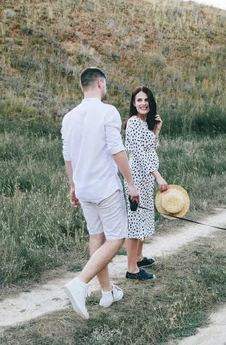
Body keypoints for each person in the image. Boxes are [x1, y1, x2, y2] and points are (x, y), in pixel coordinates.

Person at [61, 67, 140, 319]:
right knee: (117, 238)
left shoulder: (69, 117)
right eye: (105, 85)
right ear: (99, 83)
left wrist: (73, 185)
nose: (106, 88)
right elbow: (117, 150)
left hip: (84, 188)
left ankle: (107, 292)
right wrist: (131, 183)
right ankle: (81, 282)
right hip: (105, 187)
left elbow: (68, 156)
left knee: (96, 237)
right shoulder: (108, 111)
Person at [123, 86, 168, 280]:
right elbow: (140, 154)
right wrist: (158, 176)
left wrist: (156, 130)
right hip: (136, 176)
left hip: (145, 176)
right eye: (139, 100)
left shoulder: (144, 123)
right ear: (134, 103)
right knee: (135, 222)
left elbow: (150, 147)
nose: (143, 104)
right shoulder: (133, 122)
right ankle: (132, 268)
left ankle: (139, 257)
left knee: (144, 217)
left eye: (146, 100)